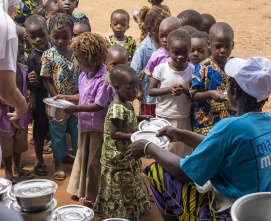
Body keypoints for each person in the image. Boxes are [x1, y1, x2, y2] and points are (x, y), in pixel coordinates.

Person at [127, 56, 271, 221]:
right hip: (268, 209)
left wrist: (149, 147)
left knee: (158, 171)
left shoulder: (230, 127)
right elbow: (221, 147)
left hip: (234, 212)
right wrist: (180, 134)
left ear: (234, 91)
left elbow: (185, 173)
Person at [52, 33, 115, 208]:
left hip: (97, 127)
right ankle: (82, 190)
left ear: (92, 59)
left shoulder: (103, 80)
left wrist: (75, 108)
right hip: (85, 124)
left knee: (94, 161)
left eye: (79, 59)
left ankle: (93, 195)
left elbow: (98, 105)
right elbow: (83, 96)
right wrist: (66, 97)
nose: (76, 62)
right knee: (83, 156)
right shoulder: (84, 75)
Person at [93, 64, 151, 220]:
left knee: (129, 182)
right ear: (117, 87)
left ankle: (131, 209)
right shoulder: (116, 108)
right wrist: (136, 135)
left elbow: (128, 119)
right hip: (116, 157)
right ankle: (118, 214)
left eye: (136, 87)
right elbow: (115, 133)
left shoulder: (127, 102)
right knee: (119, 186)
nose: (134, 91)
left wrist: (140, 119)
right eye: (130, 88)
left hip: (126, 154)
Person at [40, 13, 80, 181]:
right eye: (56, 37)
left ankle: (79, 164)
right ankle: (58, 165)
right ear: (50, 35)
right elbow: (46, 80)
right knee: (57, 134)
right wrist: (58, 98)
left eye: (65, 37)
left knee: (77, 132)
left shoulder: (77, 53)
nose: (60, 41)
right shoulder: (48, 55)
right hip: (57, 104)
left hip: (78, 102)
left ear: (72, 35)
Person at [148, 30, 193, 157]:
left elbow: (195, 93)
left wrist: (185, 90)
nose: (180, 56)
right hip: (164, 116)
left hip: (184, 116)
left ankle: (179, 176)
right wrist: (168, 89)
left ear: (189, 50)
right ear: (168, 50)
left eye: (185, 53)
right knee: (165, 150)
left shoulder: (192, 70)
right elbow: (151, 91)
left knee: (183, 151)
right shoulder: (161, 69)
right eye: (176, 53)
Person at [0, 24, 34, 184]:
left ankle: (17, 166)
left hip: (21, 116)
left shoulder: (23, 70)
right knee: (7, 145)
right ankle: (7, 171)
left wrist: (32, 82)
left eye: (22, 41)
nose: (21, 46)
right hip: (5, 116)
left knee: (20, 142)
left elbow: (27, 88)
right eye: (16, 42)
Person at [190, 22, 236, 136]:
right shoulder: (202, 67)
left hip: (229, 120)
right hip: (206, 125)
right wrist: (210, 94)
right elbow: (193, 95)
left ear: (233, 45)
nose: (223, 50)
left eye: (227, 46)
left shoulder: (234, 64)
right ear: (209, 44)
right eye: (218, 46)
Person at [130, 7, 169, 116]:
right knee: (149, 122)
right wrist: (138, 90)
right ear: (153, 30)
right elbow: (134, 72)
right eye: (162, 31)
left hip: (165, 95)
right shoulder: (144, 48)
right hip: (148, 98)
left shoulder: (168, 45)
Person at [25, 14, 51, 176]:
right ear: (27, 36)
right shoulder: (33, 57)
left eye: (41, 35)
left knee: (58, 128)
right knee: (39, 128)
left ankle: (61, 156)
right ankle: (39, 158)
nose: (38, 39)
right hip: (41, 97)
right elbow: (32, 81)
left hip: (57, 95)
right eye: (33, 37)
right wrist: (32, 93)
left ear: (48, 32)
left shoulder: (56, 49)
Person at [0, 0, 28, 121]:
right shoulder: (5, 25)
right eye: (15, 10)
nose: (13, 14)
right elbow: (7, 90)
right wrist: (21, 106)